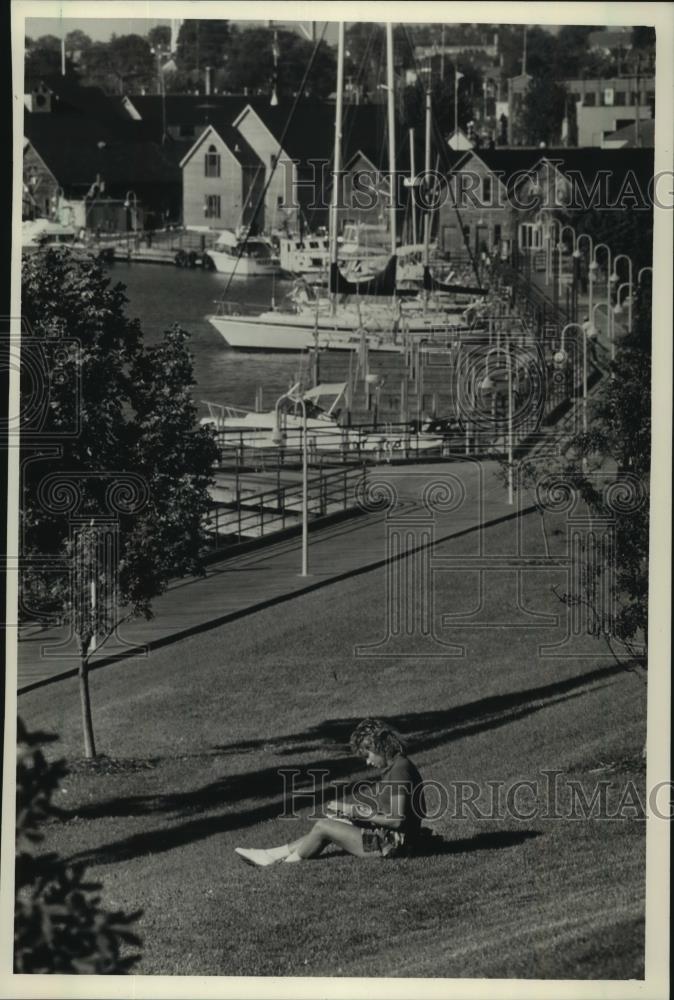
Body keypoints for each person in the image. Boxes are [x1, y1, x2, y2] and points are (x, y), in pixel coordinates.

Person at [234, 718, 426, 867]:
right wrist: (352, 812)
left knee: (323, 826)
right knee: (337, 821)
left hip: (392, 847)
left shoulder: (400, 769)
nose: (368, 762)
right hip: (394, 839)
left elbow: (397, 820)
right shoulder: (397, 766)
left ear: (378, 747)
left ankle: (283, 864)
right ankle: (272, 854)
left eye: (367, 755)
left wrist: (354, 811)